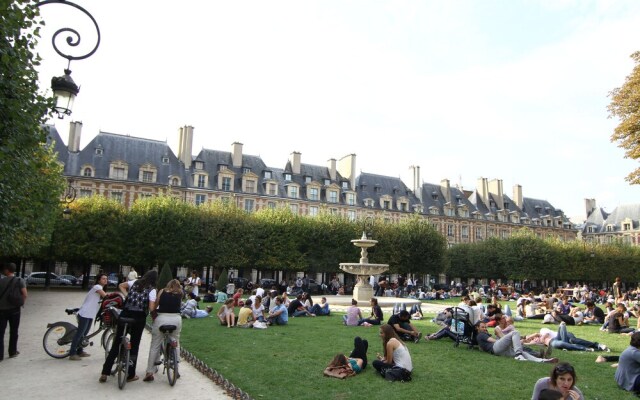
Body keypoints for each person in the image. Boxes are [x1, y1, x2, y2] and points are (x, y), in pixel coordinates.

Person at [100, 270, 158, 383]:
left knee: (116, 344)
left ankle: (105, 372)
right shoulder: (152, 289)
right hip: (139, 317)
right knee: (134, 345)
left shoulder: (135, 282)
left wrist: (127, 295)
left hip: (125, 313)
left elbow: (121, 285)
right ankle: (131, 374)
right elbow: (151, 308)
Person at [143, 279, 183, 382]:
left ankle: (149, 371)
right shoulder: (180, 293)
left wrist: (155, 311)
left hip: (162, 318)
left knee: (155, 345)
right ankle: (176, 366)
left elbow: (156, 305)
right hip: (176, 319)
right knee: (176, 341)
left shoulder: (162, 291)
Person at [475, 321, 556, 363]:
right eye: (482, 327)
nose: (485, 328)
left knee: (523, 353)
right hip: (495, 347)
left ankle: (543, 360)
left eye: (485, 327)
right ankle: (518, 355)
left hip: (499, 352)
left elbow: (482, 346)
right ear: (477, 328)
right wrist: (507, 341)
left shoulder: (481, 336)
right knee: (515, 332)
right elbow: (493, 340)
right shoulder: (481, 334)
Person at [69, 274, 107, 360]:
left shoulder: (100, 288)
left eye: (106, 279)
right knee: (80, 333)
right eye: (103, 278)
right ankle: (72, 353)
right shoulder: (97, 287)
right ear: (98, 280)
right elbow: (106, 297)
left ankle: (80, 350)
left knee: (84, 334)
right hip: (85, 313)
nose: (105, 280)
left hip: (90, 314)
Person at [0, 262, 27, 361]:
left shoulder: (1, 281)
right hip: (15, 310)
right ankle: (12, 351)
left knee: (1, 333)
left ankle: (0, 354)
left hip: (2, 310)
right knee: (14, 331)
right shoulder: (20, 280)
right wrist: (22, 303)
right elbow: (24, 294)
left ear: (7, 270)